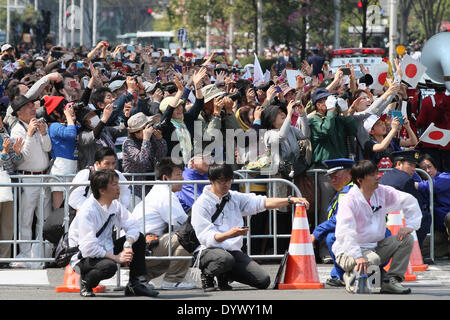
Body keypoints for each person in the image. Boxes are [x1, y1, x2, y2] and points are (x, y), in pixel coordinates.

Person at [191, 163, 310, 292]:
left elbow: (262, 202)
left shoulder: (234, 197)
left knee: (263, 280)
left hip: (232, 252)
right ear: (211, 181)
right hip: (208, 250)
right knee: (225, 259)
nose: (226, 184)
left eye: (229, 180)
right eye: (222, 181)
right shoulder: (201, 204)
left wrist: (290, 199)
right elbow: (205, 237)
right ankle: (207, 275)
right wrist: (229, 234)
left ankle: (224, 275)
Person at [332, 160, 422, 294]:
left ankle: (391, 281)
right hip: (348, 251)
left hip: (373, 247)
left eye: (377, 173)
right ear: (360, 180)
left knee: (406, 239)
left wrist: (410, 225)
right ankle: (350, 277)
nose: (378, 176)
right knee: (371, 278)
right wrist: (358, 256)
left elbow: (409, 200)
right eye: (373, 174)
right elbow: (345, 232)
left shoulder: (382, 192)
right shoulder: (349, 200)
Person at [68, 169, 159, 297]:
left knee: (139, 239)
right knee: (109, 267)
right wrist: (116, 258)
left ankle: (135, 284)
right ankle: (86, 282)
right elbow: (88, 248)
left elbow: (133, 224)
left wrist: (128, 244)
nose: (119, 188)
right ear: (102, 190)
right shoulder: (87, 211)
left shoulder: (115, 205)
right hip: (81, 256)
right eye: (114, 184)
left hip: (104, 249)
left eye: (118, 183)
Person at [131, 158, 196, 290]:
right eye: (178, 175)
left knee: (180, 242)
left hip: (140, 247)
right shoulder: (164, 194)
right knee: (189, 237)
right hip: (142, 248)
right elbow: (183, 224)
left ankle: (140, 278)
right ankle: (173, 280)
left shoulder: (159, 191)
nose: (183, 179)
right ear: (166, 178)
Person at [9, 95, 52, 267]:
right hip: (27, 177)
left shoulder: (41, 124)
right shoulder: (17, 130)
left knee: (44, 218)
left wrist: (43, 133)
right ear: (19, 113)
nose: (33, 109)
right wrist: (29, 134)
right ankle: (25, 255)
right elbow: (21, 158)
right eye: (28, 107)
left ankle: (41, 254)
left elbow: (48, 148)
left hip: (44, 176)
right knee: (26, 219)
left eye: (32, 106)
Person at [310, 158, 355, 287]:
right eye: (330, 177)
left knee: (333, 238)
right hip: (358, 232)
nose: (332, 180)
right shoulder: (343, 191)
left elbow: (338, 219)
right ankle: (340, 273)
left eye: (336, 176)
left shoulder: (348, 192)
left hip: (361, 233)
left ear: (350, 174)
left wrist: (316, 233)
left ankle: (341, 275)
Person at [379, 150, 431, 248]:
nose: (413, 169)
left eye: (414, 166)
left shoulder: (385, 177)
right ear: (399, 164)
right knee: (425, 217)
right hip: (398, 216)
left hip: (383, 214)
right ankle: (416, 250)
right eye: (410, 165)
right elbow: (415, 204)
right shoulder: (406, 179)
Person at [69, 147, 131, 212]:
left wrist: (120, 209)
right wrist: (94, 209)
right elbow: (74, 198)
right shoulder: (85, 174)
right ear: (97, 163)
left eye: (113, 163)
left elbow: (125, 192)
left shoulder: (118, 175)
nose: (111, 167)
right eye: (107, 164)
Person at [44, 96, 80, 210]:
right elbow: (70, 134)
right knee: (59, 207)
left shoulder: (69, 125)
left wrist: (73, 117)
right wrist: (69, 117)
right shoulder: (54, 126)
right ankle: (58, 228)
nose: (67, 110)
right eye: (64, 107)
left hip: (72, 167)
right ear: (55, 111)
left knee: (71, 205)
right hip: (61, 169)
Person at [122, 112, 167, 198]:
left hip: (151, 183)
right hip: (136, 188)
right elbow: (142, 159)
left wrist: (159, 140)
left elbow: (161, 156)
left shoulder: (151, 139)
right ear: (136, 132)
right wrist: (146, 139)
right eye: (146, 127)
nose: (149, 128)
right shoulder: (128, 143)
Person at [416, 154, 450, 257]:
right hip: (440, 230)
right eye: (423, 169)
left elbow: (432, 185)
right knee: (418, 249)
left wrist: (413, 184)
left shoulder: (446, 177)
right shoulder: (423, 184)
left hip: (449, 223)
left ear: (435, 166)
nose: (428, 170)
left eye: (429, 167)